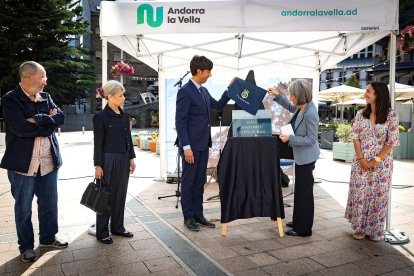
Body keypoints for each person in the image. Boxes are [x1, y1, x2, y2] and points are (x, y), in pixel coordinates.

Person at [0, 61, 68, 262]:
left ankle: (48, 238)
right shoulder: (11, 99)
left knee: (49, 203)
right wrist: (47, 120)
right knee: (23, 207)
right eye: (42, 77)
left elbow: (61, 119)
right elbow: (20, 129)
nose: (45, 82)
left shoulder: (46, 97)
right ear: (27, 76)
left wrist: (36, 119)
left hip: (48, 162)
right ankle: (26, 247)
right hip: (23, 165)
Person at [175, 55, 232, 231]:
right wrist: (186, 147)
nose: (210, 75)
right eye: (208, 71)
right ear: (198, 71)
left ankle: (198, 215)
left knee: (200, 181)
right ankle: (188, 217)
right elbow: (180, 121)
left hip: (202, 144)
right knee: (189, 182)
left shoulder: (204, 91)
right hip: (190, 147)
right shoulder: (185, 91)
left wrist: (230, 89)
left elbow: (219, 106)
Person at [345, 82, 399, 242]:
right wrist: (361, 159)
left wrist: (376, 160)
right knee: (360, 194)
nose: (365, 94)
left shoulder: (392, 115)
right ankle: (360, 228)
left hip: (382, 164)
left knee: (378, 195)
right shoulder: (361, 114)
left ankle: (375, 230)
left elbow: (392, 141)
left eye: (368, 91)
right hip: (360, 163)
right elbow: (355, 137)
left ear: (379, 94)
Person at [267, 79, 320, 237]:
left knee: (304, 193)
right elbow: (290, 107)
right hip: (301, 156)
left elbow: (311, 140)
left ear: (300, 95)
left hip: (307, 157)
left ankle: (303, 228)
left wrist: (289, 139)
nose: (291, 97)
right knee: (300, 191)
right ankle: (298, 221)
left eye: (293, 95)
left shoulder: (310, 113)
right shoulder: (302, 107)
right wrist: (277, 96)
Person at [93, 80, 136, 244]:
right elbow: (98, 143)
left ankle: (118, 227)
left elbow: (128, 139)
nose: (123, 98)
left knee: (120, 195)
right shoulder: (100, 117)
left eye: (123, 95)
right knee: (106, 196)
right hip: (107, 160)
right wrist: (97, 165)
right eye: (120, 95)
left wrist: (131, 158)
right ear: (110, 96)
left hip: (124, 159)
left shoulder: (124, 116)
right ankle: (102, 232)